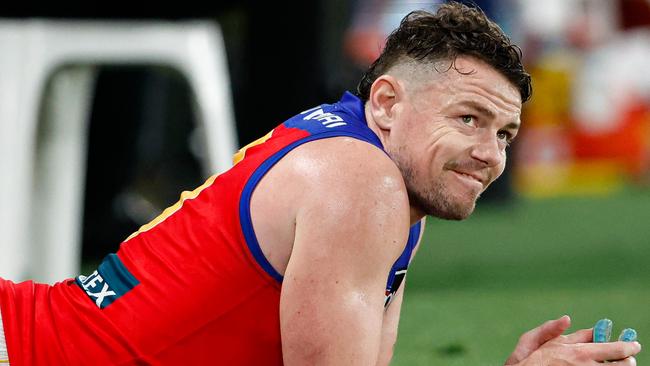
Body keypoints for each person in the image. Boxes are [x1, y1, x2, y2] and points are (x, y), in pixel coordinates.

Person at [0, 2, 642, 365]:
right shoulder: (364, 185)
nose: (487, 155)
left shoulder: (380, 172)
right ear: (387, 102)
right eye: (468, 119)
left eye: (504, 135)